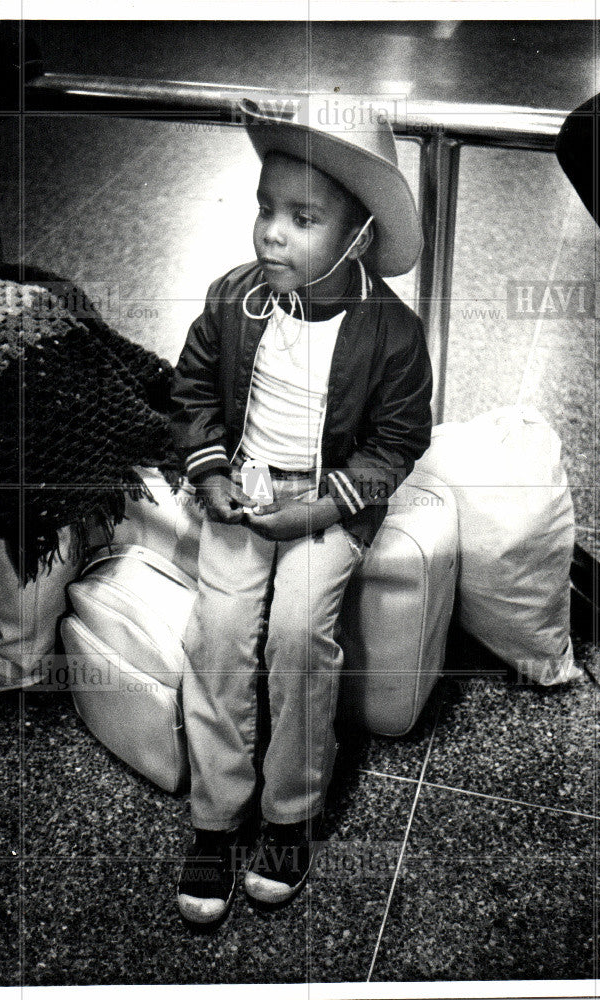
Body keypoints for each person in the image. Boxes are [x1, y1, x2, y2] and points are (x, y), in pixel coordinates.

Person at [169, 95, 433, 924]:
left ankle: (291, 812)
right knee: (218, 631)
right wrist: (210, 471)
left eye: (303, 218)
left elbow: (396, 443)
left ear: (357, 236)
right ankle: (216, 817)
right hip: (242, 488)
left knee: (295, 631)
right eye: (265, 209)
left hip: (324, 501)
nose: (271, 233)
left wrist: (321, 512)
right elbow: (190, 392)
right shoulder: (231, 299)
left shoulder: (390, 332)